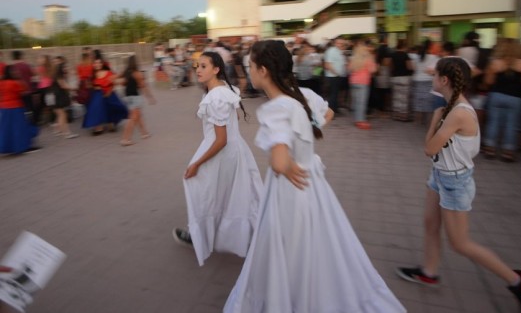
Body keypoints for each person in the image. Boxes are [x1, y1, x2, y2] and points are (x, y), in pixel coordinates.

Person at [224, 40, 405, 313]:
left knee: (288, 248)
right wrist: (306, 136)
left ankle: (290, 299)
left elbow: (279, 161)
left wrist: (285, 162)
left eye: (250, 66)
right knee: (315, 245)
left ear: (263, 70)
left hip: (289, 188)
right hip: (313, 184)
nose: (248, 71)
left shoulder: (278, 108)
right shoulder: (304, 95)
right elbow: (328, 113)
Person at [395, 57, 521, 313]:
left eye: (435, 75)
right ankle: (429, 271)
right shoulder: (451, 109)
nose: (432, 78)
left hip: (454, 181)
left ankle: (519, 282)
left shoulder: (457, 113)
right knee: (430, 223)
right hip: (440, 174)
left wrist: (435, 118)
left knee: (460, 244)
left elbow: (429, 148)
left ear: (444, 80)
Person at [172, 51, 263, 266]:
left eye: (204, 66)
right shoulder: (224, 89)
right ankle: (249, 234)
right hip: (234, 149)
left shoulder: (215, 96)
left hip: (221, 151)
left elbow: (220, 139)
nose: (198, 70)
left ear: (216, 69)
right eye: (197, 66)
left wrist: (197, 163)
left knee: (201, 189)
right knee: (234, 194)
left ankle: (200, 236)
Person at [482, 38, 521, 162]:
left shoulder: (495, 63)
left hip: (497, 95)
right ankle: (508, 152)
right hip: (516, 97)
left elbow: (488, 81)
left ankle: (490, 149)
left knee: (493, 122)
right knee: (512, 124)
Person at [82, 58, 128, 135]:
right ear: (93, 65)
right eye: (95, 63)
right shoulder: (92, 75)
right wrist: (95, 87)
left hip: (109, 93)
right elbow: (88, 86)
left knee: (111, 106)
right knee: (96, 107)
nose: (97, 65)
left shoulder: (108, 72)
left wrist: (109, 92)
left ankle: (111, 123)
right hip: (98, 94)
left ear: (102, 64)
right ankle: (98, 126)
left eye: (99, 63)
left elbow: (113, 83)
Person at [0, 65, 40, 154]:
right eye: (14, 71)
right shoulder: (14, 83)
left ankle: (7, 147)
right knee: (19, 128)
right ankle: (22, 147)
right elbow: (24, 92)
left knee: (7, 129)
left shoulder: (2, 83)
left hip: (4, 108)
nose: (16, 72)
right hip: (15, 107)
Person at [120, 55, 156, 146]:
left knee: (138, 116)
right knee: (133, 118)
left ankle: (144, 133)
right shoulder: (137, 73)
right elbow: (144, 86)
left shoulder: (126, 72)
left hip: (127, 97)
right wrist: (150, 97)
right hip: (136, 97)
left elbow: (120, 82)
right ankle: (125, 139)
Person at [348, 39, 377, 129]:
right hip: (363, 82)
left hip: (353, 82)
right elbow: (373, 70)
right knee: (362, 103)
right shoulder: (368, 58)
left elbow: (349, 69)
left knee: (356, 102)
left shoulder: (354, 58)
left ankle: (357, 119)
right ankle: (360, 121)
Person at [50, 58, 78, 139]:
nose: (66, 69)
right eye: (64, 67)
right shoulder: (59, 76)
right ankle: (66, 133)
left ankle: (59, 130)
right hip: (59, 97)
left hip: (56, 97)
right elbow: (63, 86)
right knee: (63, 115)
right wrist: (74, 88)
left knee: (60, 115)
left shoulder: (55, 75)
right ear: (60, 69)